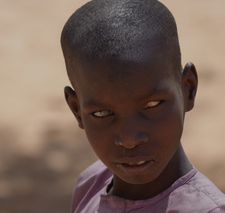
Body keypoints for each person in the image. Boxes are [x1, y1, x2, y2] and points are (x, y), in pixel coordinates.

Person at [60, 0, 225, 212]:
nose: (129, 140)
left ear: (188, 90)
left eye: (152, 104)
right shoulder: (91, 182)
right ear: (76, 110)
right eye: (103, 113)